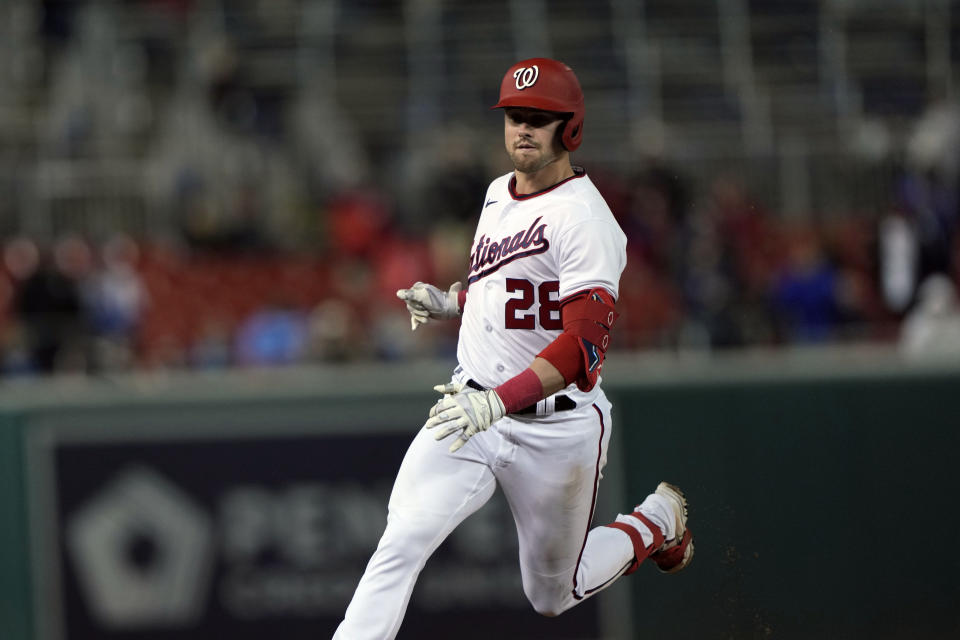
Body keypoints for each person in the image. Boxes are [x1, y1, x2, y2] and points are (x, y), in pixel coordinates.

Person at [334, 58, 694, 639]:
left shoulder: (585, 218)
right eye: (513, 116)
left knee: (552, 594)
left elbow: (582, 348)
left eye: (537, 118)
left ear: (568, 128)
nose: (521, 128)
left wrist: (499, 403)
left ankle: (654, 521)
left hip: (556, 427)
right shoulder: (498, 193)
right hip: (470, 408)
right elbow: (507, 287)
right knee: (401, 539)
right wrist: (453, 302)